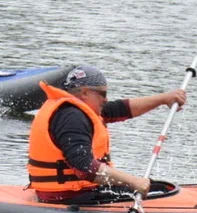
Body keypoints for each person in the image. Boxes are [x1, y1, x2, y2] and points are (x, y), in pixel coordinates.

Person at [27, 65, 186, 203]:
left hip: (69, 192)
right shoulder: (72, 118)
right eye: (102, 94)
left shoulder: (77, 109)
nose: (106, 98)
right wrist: (134, 182)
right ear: (84, 93)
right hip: (70, 196)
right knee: (159, 191)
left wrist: (164, 99)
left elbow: (120, 109)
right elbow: (84, 167)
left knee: (160, 187)